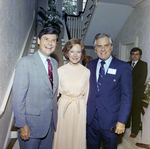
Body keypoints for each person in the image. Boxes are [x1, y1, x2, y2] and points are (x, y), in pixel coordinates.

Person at [12, 27, 58, 149]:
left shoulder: (54, 63)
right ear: (38, 41)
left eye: (53, 40)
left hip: (49, 124)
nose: (50, 43)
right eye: (46, 39)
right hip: (30, 126)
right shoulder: (25, 63)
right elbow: (18, 98)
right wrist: (22, 125)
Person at [86, 33, 132, 149]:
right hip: (91, 121)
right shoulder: (90, 65)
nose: (103, 49)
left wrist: (122, 121)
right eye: (99, 46)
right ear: (95, 49)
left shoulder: (123, 67)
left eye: (106, 45)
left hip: (111, 121)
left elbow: (127, 97)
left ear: (111, 47)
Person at [52, 38, 90, 149]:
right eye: (72, 51)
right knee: (63, 135)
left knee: (77, 136)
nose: (75, 55)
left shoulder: (86, 72)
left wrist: (85, 109)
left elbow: (87, 94)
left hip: (80, 108)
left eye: (78, 52)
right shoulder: (60, 70)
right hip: (64, 106)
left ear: (82, 54)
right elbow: (55, 94)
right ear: (67, 53)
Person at [126, 47, 147, 138]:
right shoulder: (127, 64)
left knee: (135, 112)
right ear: (131, 55)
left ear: (140, 55)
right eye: (133, 54)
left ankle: (134, 131)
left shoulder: (143, 64)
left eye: (136, 54)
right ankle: (125, 125)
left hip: (137, 92)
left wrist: (131, 89)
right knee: (126, 110)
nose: (134, 56)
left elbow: (142, 80)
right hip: (126, 92)